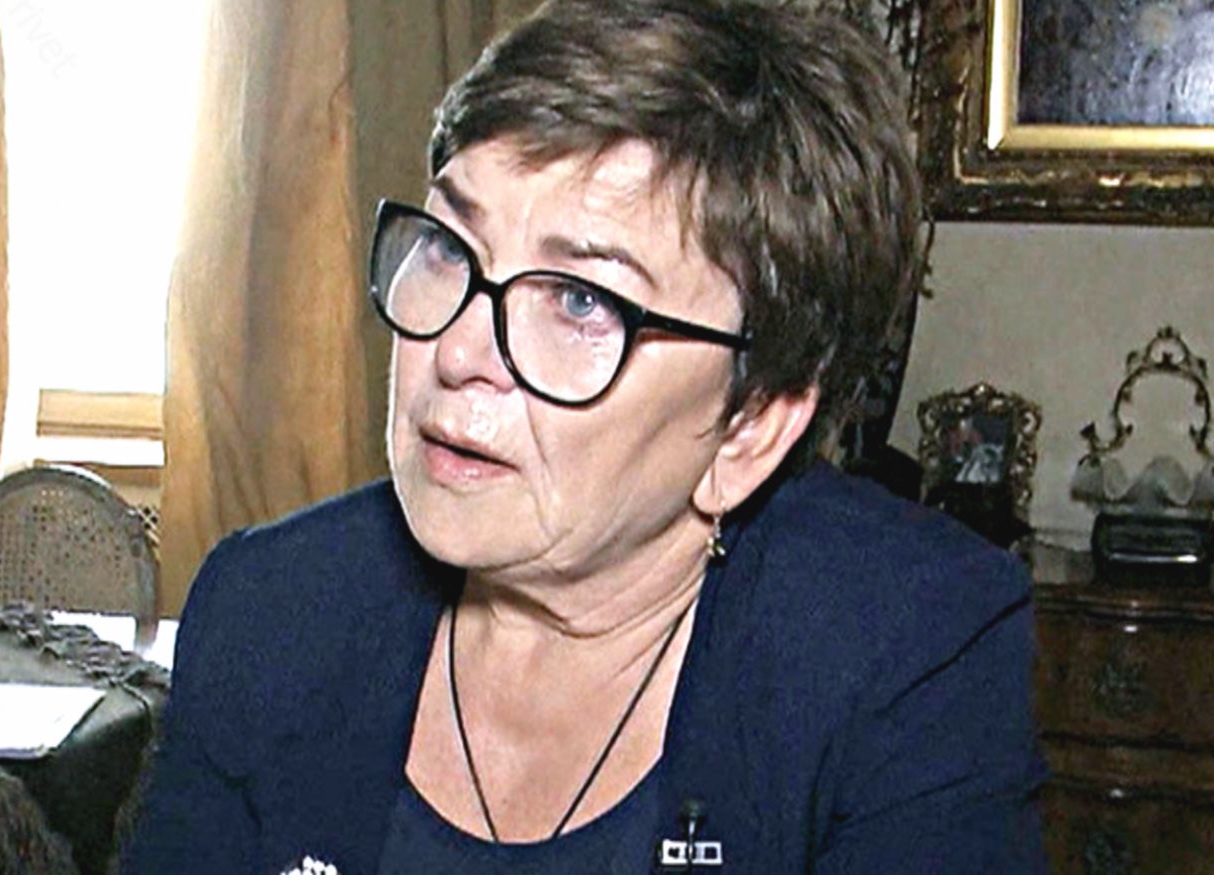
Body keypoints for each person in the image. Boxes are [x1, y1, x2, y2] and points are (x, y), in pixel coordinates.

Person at [121, 0, 1047, 871]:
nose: (457, 350)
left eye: (579, 300)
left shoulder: (910, 655)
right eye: (448, 246)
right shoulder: (269, 608)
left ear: (750, 426)